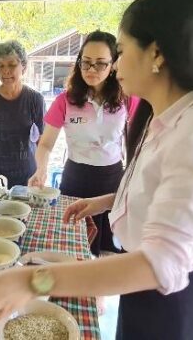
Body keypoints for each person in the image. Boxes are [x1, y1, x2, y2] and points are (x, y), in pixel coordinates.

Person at [0, 0, 193, 340]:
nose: (114, 65)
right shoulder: (168, 117)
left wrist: (33, 280)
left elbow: (160, 264)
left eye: (120, 51)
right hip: (147, 296)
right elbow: (155, 188)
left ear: (157, 53)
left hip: (179, 309)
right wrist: (108, 202)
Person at [27, 30, 131, 256]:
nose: (91, 70)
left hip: (113, 179)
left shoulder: (127, 98)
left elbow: (132, 145)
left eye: (100, 64)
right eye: (86, 63)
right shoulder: (65, 100)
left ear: (113, 65)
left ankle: (99, 292)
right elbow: (45, 145)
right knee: (75, 249)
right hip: (76, 179)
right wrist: (41, 169)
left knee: (108, 253)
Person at [0, 40, 44, 187]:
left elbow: (41, 139)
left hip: (26, 175)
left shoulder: (35, 99)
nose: (6, 71)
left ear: (23, 67)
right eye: (0, 66)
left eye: (12, 65)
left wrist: (40, 171)